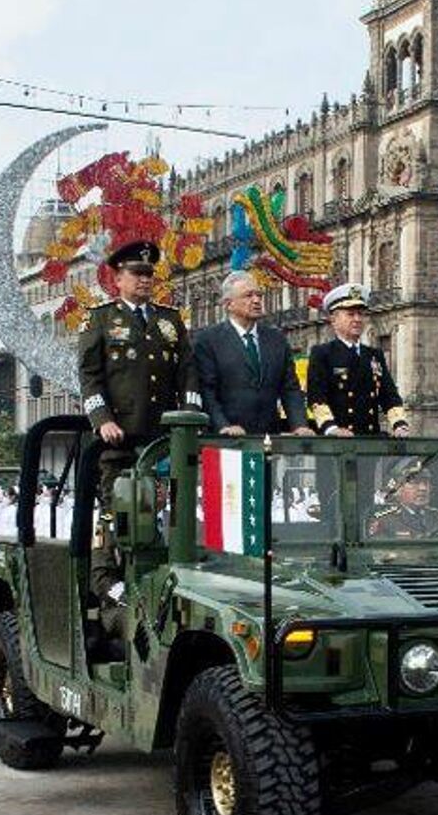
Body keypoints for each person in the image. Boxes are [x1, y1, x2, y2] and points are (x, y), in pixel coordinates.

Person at [78, 240, 198, 608]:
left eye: (149, 274)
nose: (145, 281)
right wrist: (102, 421)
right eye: (137, 274)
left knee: (168, 508)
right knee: (118, 508)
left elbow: (187, 374)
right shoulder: (100, 318)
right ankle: (106, 579)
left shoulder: (170, 320)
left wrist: (190, 418)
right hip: (120, 437)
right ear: (118, 278)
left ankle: (162, 574)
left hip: (162, 436)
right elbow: (90, 376)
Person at [193, 271, 313, 437]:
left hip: (269, 438)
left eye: (259, 295)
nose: (256, 300)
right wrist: (223, 426)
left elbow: (290, 388)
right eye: (248, 295)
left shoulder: (276, 339)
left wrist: (299, 424)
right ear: (228, 304)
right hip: (226, 440)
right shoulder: (208, 341)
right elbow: (207, 392)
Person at [305, 284, 410, 436]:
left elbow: (389, 395)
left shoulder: (374, 355)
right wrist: (331, 428)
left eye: (361, 314)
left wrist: (399, 424)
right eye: (350, 314)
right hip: (336, 442)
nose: (357, 319)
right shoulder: (323, 354)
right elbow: (317, 398)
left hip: (369, 440)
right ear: (334, 319)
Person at [368, 459, 438, 538]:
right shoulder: (385, 522)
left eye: (426, 482)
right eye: (414, 482)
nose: (423, 488)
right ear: (397, 488)